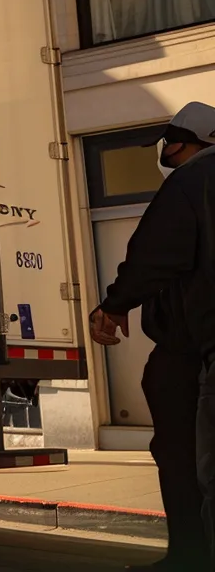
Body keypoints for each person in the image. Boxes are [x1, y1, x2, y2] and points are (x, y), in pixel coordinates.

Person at [90, 102, 215, 572]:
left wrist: (115, 304)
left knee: (189, 461)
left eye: (166, 145)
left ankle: (190, 557)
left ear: (180, 144)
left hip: (193, 354)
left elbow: (154, 256)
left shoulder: (190, 184)